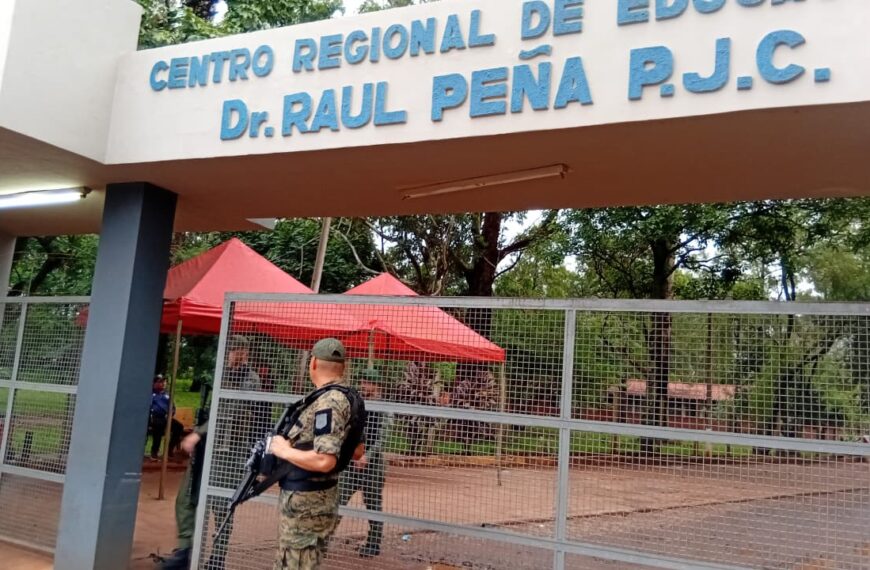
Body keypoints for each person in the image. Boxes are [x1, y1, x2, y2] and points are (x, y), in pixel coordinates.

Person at [160, 335, 261, 570]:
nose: (232, 354)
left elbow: (231, 411)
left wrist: (198, 433)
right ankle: (185, 550)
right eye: (230, 350)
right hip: (206, 450)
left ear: (244, 352)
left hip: (228, 452)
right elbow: (210, 408)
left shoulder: (250, 379)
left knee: (221, 506)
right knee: (186, 499)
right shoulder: (219, 375)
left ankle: (217, 557)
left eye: (236, 350)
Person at [268, 338, 365, 570]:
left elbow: (324, 460)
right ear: (343, 366)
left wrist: (284, 450)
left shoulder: (328, 402)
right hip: (317, 501)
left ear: (313, 363)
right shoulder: (348, 397)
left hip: (307, 506)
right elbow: (358, 451)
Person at [338, 369, 392, 558]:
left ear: (376, 385)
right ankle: (323, 540)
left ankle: (374, 543)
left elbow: (383, 437)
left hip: (373, 464)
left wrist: (367, 456)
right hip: (351, 460)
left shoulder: (384, 408)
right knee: (339, 499)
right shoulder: (357, 402)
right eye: (362, 381)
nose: (363, 385)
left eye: (366, 382)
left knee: (373, 504)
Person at [149, 375, 184, 460]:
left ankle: (169, 449)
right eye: (160, 382)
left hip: (166, 418)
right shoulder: (151, 394)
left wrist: (171, 413)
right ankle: (154, 452)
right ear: (154, 383)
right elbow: (149, 407)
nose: (163, 383)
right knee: (158, 426)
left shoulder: (167, 395)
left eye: (164, 382)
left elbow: (173, 407)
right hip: (155, 418)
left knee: (179, 427)